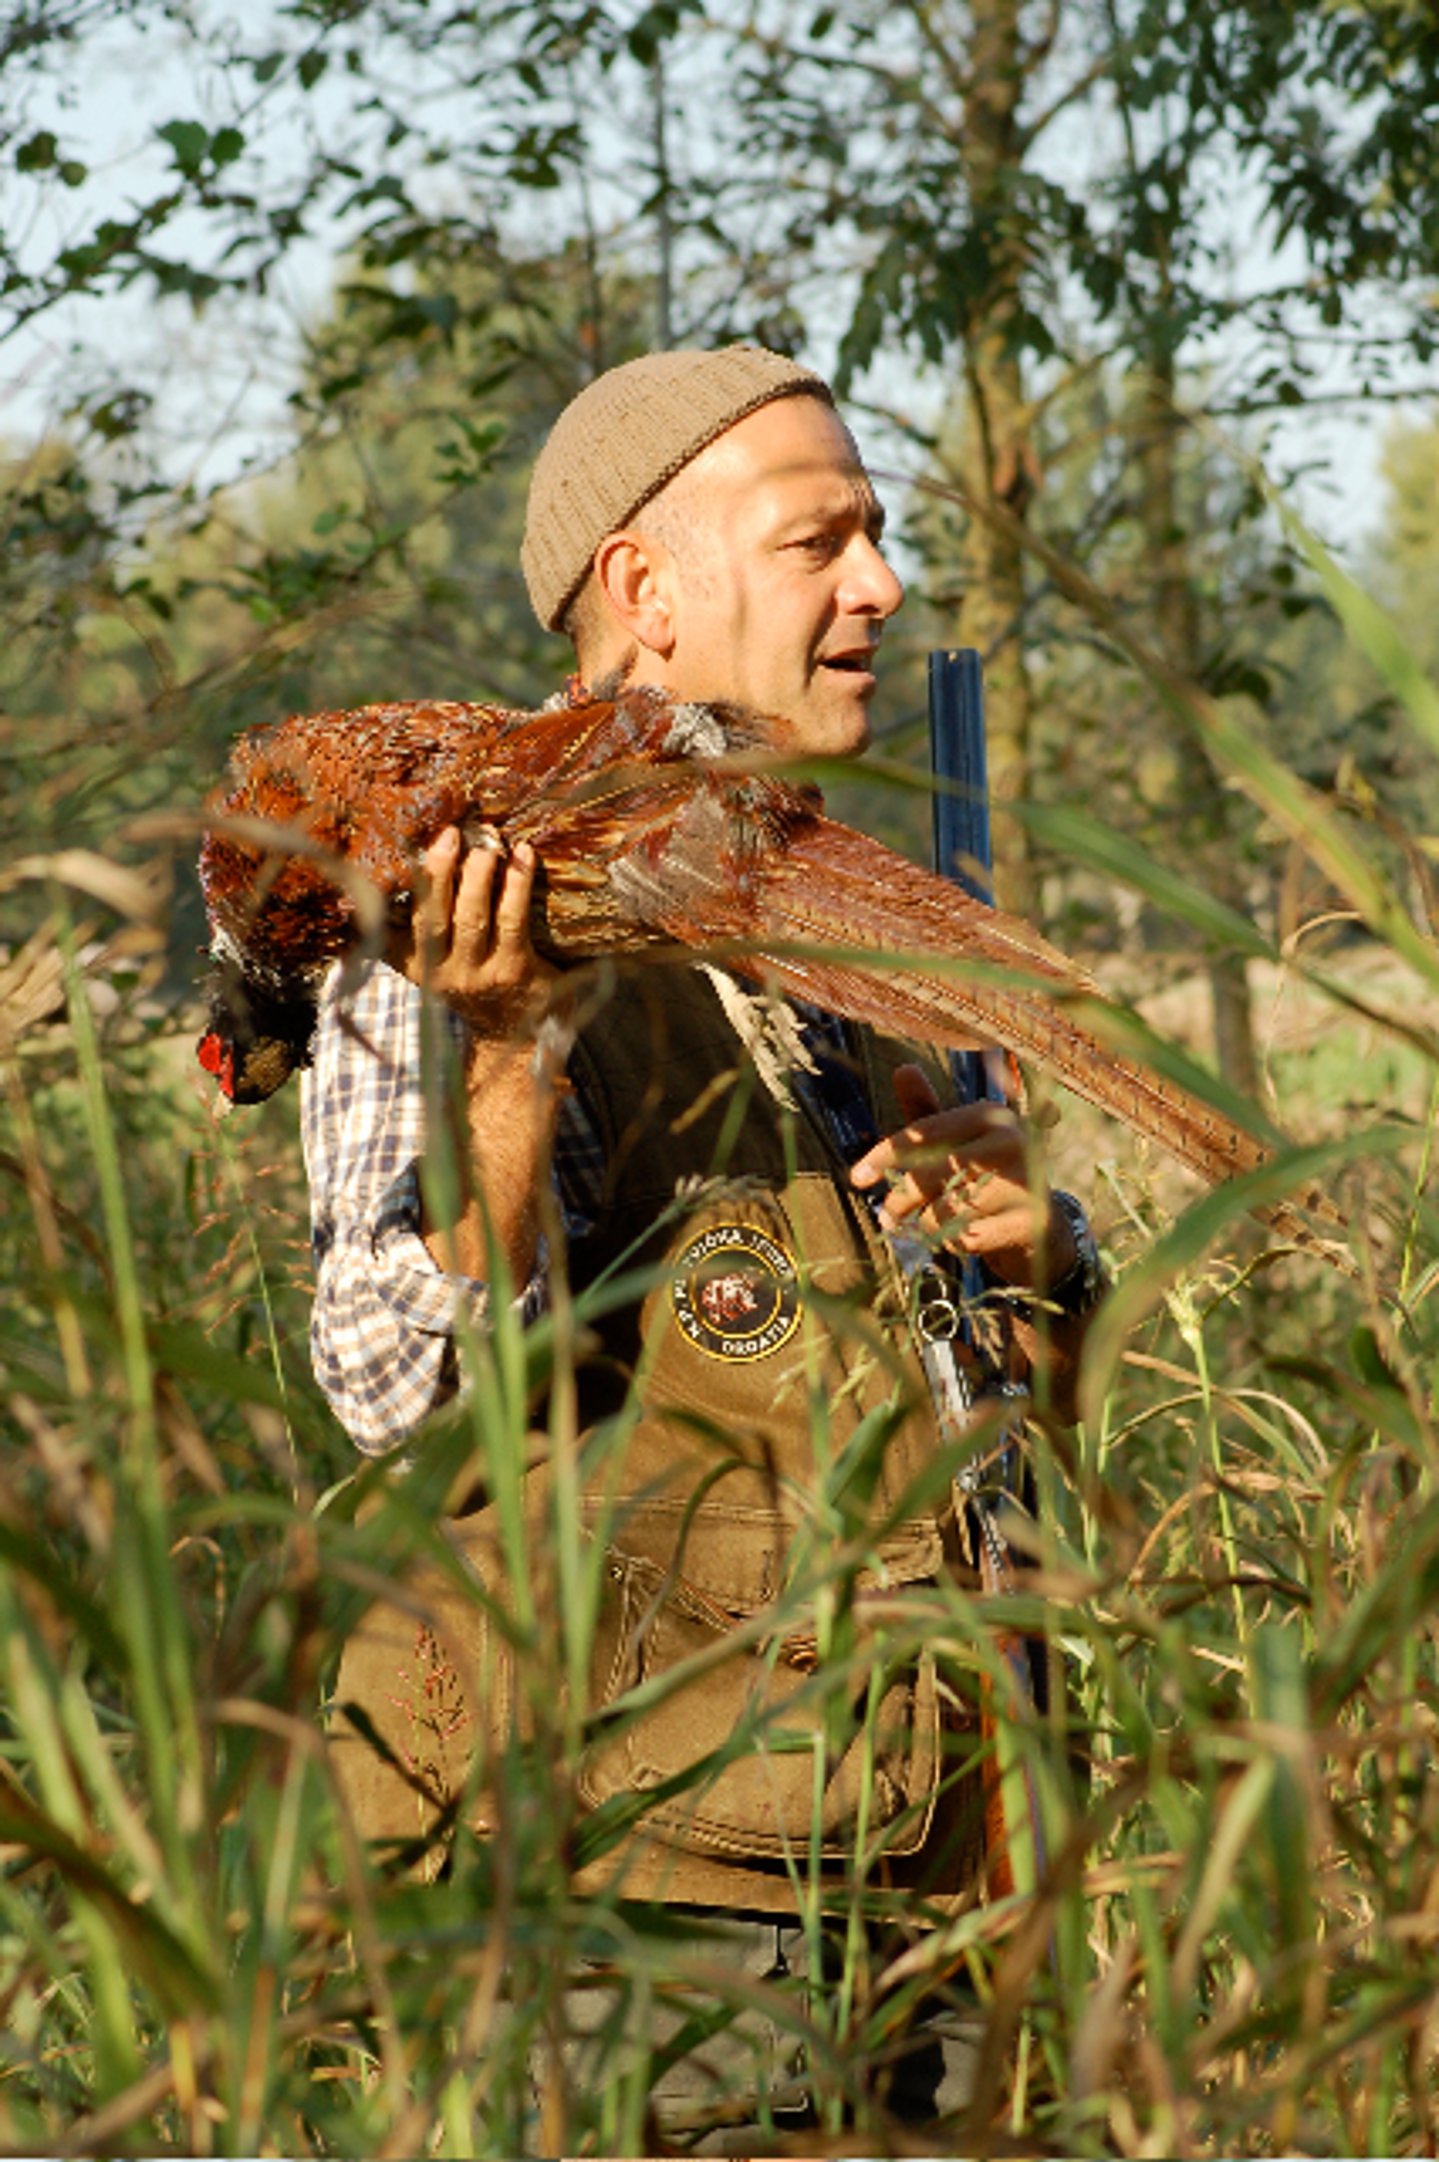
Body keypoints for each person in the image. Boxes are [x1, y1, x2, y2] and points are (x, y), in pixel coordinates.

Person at [310, 346, 1104, 2136]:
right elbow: (395, 1397)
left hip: (936, 1893)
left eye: (879, 537)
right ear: (646, 593)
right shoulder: (463, 904)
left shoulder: (816, 925)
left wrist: (1034, 1254)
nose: (881, 586)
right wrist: (503, 1059)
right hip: (661, 1943)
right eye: (821, 539)